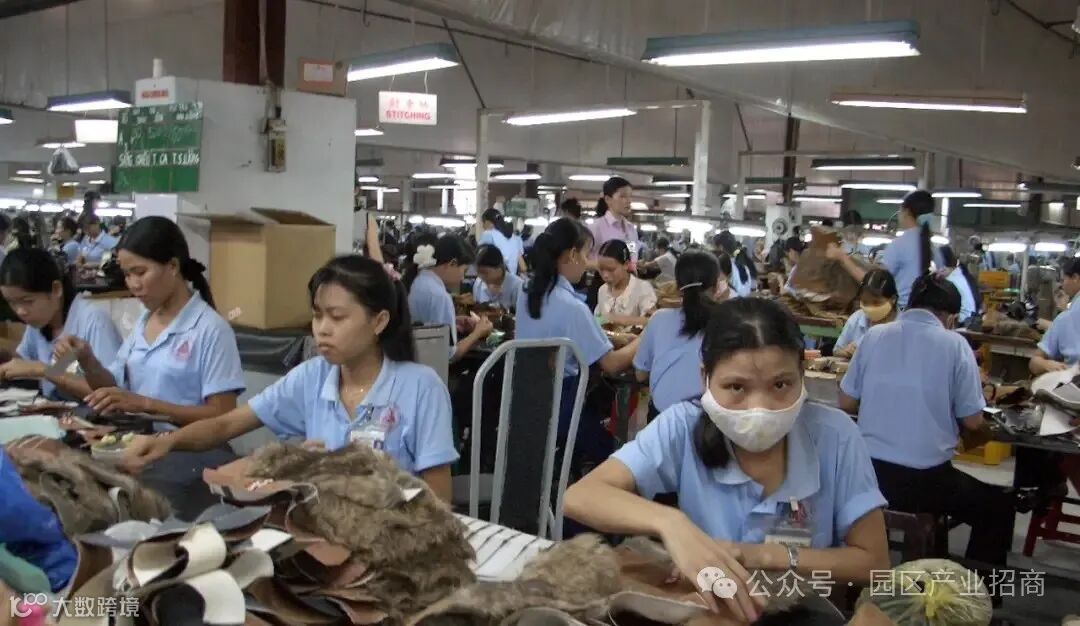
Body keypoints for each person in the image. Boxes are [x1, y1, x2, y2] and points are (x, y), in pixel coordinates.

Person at [566, 298, 889, 622]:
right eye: (736, 387)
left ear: (802, 375)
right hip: (712, 610)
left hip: (800, 611)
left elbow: (873, 563)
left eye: (780, 384)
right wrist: (671, 524)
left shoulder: (835, 436)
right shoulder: (683, 425)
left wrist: (763, 556)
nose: (759, 408)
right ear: (705, 378)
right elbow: (581, 496)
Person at [121, 256, 458, 501]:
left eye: (337, 317)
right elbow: (226, 425)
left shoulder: (420, 387)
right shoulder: (312, 377)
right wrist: (168, 442)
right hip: (325, 531)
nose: (322, 329)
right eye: (317, 316)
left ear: (379, 321)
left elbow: (438, 498)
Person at [53, 216, 245, 519]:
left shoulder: (210, 329)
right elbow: (112, 388)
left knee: (122, 511)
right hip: (142, 444)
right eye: (127, 275)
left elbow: (223, 418)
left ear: (173, 266)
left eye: (140, 272)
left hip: (191, 453)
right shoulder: (145, 321)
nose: (133, 284)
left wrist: (145, 404)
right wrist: (87, 360)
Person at [839, 273, 1014, 570]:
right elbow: (973, 421)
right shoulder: (955, 345)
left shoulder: (874, 336)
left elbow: (846, 402)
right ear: (950, 317)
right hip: (925, 482)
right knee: (998, 507)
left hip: (868, 476)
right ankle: (978, 591)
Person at [517, 218, 638, 467]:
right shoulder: (573, 307)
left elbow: (561, 333)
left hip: (525, 404)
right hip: (561, 410)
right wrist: (648, 334)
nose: (587, 263)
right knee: (614, 451)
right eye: (586, 254)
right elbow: (612, 365)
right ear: (572, 255)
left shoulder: (527, 292)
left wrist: (614, 337)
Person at [0, 248, 122, 399]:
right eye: (12, 303)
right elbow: (24, 363)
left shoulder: (93, 320)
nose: (20, 311)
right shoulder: (38, 323)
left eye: (27, 301)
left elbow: (113, 394)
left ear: (56, 289)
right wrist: (6, 356)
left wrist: (44, 370)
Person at [634, 251, 721, 418]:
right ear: (717, 286)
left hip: (661, 419)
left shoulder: (659, 319)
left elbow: (640, 374)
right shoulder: (728, 324)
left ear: (677, 286)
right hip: (710, 421)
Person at [827, 190, 944, 308]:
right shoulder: (933, 247)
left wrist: (842, 258)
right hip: (926, 312)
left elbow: (873, 285)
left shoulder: (900, 244)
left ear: (906, 212)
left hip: (901, 312)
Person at [405, 234, 492, 360]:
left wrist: (454, 320)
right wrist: (478, 332)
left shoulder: (420, 280)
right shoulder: (440, 296)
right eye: (464, 271)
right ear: (452, 263)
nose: (463, 278)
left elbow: (424, 324)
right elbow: (449, 355)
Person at [834, 270, 899, 359]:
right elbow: (836, 351)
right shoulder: (856, 319)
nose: (870, 308)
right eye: (865, 302)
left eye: (876, 303)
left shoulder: (903, 326)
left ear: (893, 299)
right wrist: (846, 352)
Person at [1030, 257, 1080, 374]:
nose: (1062, 284)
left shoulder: (1065, 318)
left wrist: (1047, 364)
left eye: (1063, 279)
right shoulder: (1066, 315)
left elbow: (1034, 363)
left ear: (1075, 278)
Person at [595, 240, 656, 326]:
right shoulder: (602, 290)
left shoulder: (643, 288)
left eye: (611, 270)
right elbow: (597, 320)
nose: (605, 275)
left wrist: (613, 319)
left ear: (626, 264)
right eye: (601, 269)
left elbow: (651, 320)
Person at [588, 177, 639, 262]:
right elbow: (582, 260)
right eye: (623, 196)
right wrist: (603, 265)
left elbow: (633, 256)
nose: (629, 201)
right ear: (608, 199)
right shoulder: (596, 228)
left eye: (630, 196)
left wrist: (633, 264)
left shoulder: (631, 229)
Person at [473, 244, 523, 311]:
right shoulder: (479, 283)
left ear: (499, 267)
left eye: (485, 272)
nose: (480, 276)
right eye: (478, 272)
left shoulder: (517, 286)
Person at [478, 209, 527, 275]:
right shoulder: (516, 238)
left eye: (483, 222)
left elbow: (480, 260)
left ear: (487, 222)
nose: (483, 226)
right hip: (510, 279)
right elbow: (523, 268)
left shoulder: (488, 234)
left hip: (493, 278)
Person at [940, 245, 979, 327]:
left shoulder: (951, 281)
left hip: (961, 323)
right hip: (969, 320)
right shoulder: (960, 274)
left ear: (943, 268)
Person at [713, 231, 755, 297]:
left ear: (721, 247)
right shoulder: (742, 262)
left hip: (733, 301)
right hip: (744, 300)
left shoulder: (724, 263)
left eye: (715, 247)